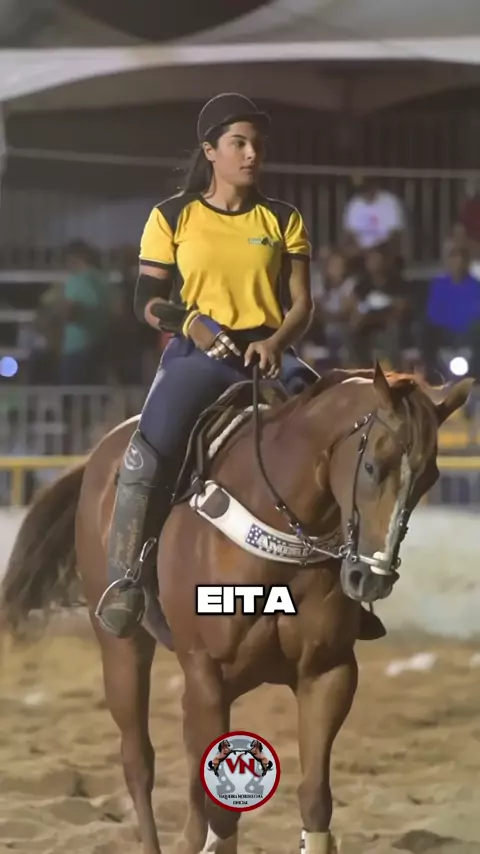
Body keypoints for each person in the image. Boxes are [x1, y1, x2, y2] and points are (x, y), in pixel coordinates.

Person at [96, 93, 318, 638]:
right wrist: (191, 322)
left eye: (257, 145)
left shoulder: (283, 218)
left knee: (336, 430)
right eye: (239, 143)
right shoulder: (172, 216)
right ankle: (126, 580)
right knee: (148, 453)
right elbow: (147, 301)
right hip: (198, 356)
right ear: (211, 151)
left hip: (268, 355)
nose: (251, 154)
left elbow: (302, 305)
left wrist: (277, 342)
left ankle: (341, 579)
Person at [423, 245, 480, 381]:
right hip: (444, 334)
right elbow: (433, 313)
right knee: (426, 332)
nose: (458, 262)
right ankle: (432, 377)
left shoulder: (476, 286)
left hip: (469, 336)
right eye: (454, 257)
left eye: (462, 258)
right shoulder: (438, 285)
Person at [342, 175, 407, 274]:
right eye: (362, 189)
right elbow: (350, 233)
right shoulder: (355, 203)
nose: (365, 192)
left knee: (376, 258)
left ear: (375, 186)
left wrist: (375, 249)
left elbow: (395, 235)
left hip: (384, 249)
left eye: (367, 187)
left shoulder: (390, 201)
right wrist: (358, 249)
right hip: (361, 250)